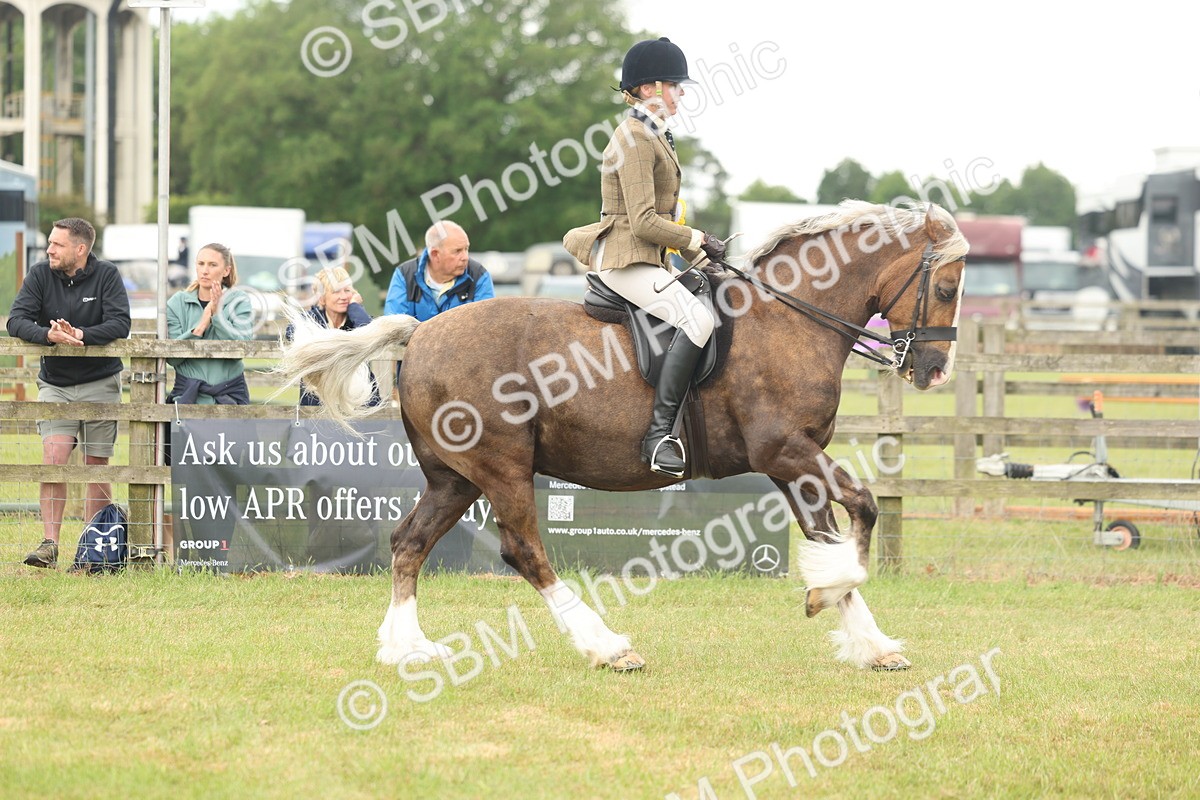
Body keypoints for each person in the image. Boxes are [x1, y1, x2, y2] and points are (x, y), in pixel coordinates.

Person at [563, 36, 726, 479]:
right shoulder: (633, 137)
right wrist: (697, 238)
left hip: (652, 258)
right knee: (699, 321)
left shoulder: (655, 132)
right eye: (676, 85)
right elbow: (642, 222)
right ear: (652, 87)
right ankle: (659, 436)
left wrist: (700, 253)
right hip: (626, 259)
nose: (682, 93)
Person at [6, 217, 131, 568]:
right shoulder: (40, 274)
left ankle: (93, 548)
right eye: (49, 243)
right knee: (54, 458)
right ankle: (49, 544)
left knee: (96, 465)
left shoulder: (106, 274)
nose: (49, 249)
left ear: (80, 249)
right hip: (56, 383)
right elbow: (16, 320)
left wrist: (80, 334)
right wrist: (48, 335)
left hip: (101, 382)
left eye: (56, 244)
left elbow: (121, 323)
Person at [165, 242, 254, 406]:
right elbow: (172, 359)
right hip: (187, 397)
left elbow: (242, 349)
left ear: (226, 270)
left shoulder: (239, 301)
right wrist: (201, 326)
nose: (205, 270)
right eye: (201, 264)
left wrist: (217, 316)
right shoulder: (176, 303)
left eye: (212, 265)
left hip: (230, 397)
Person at [291, 265, 381, 408]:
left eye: (347, 290)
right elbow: (291, 332)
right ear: (322, 298)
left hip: (359, 401)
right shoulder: (310, 320)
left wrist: (355, 307)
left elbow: (370, 333)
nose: (344, 296)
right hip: (318, 401)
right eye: (336, 291)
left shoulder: (357, 318)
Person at [383, 220, 495, 320]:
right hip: (416, 344)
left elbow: (485, 327)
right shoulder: (404, 275)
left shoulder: (480, 277)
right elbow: (394, 328)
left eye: (466, 249)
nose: (465, 257)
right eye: (457, 251)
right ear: (435, 254)